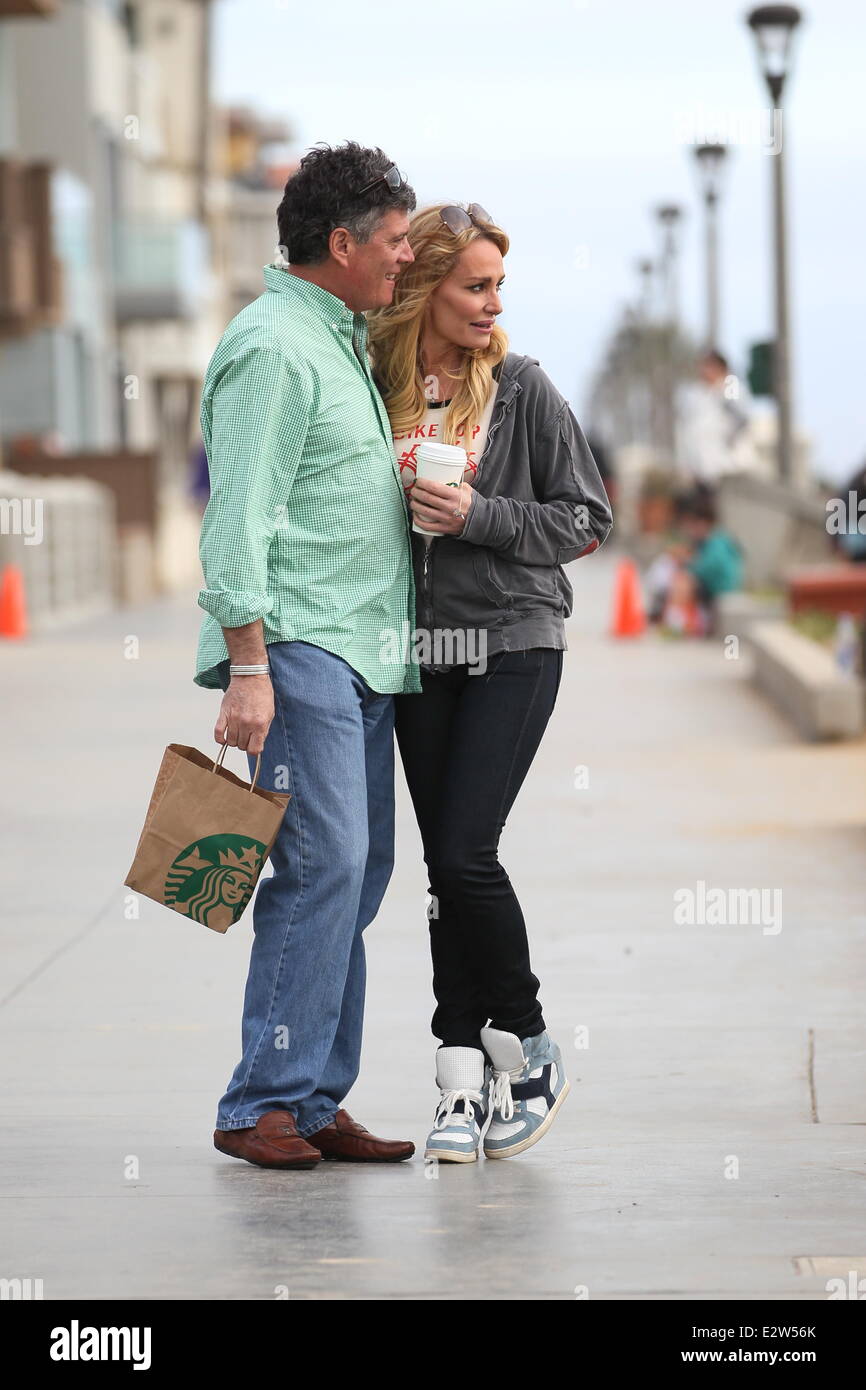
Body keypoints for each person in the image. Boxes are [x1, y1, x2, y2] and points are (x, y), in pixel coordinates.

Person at [368, 203, 613, 1162]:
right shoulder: (373, 384)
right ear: (425, 286)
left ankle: (534, 1042)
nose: (492, 303)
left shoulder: (523, 389)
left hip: (514, 640)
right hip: (418, 654)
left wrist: (478, 516)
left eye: (498, 285)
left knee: (467, 854)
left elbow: (587, 520)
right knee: (443, 878)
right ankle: (459, 1084)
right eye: (475, 285)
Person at [193, 142, 422, 1170]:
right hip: (298, 644)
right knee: (320, 866)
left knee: (357, 872)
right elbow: (234, 518)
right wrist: (248, 666)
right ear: (341, 243)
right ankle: (262, 1100)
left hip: (361, 647)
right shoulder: (276, 346)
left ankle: (317, 1095)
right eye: (394, 243)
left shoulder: (339, 336)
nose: (405, 260)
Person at [648, 489, 743, 636]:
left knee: (683, 582)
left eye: (694, 525)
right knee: (681, 578)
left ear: (704, 523)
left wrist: (688, 563)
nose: (692, 530)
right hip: (714, 584)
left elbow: (708, 567)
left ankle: (674, 622)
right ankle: (670, 619)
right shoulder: (713, 540)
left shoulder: (717, 542)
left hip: (720, 586)